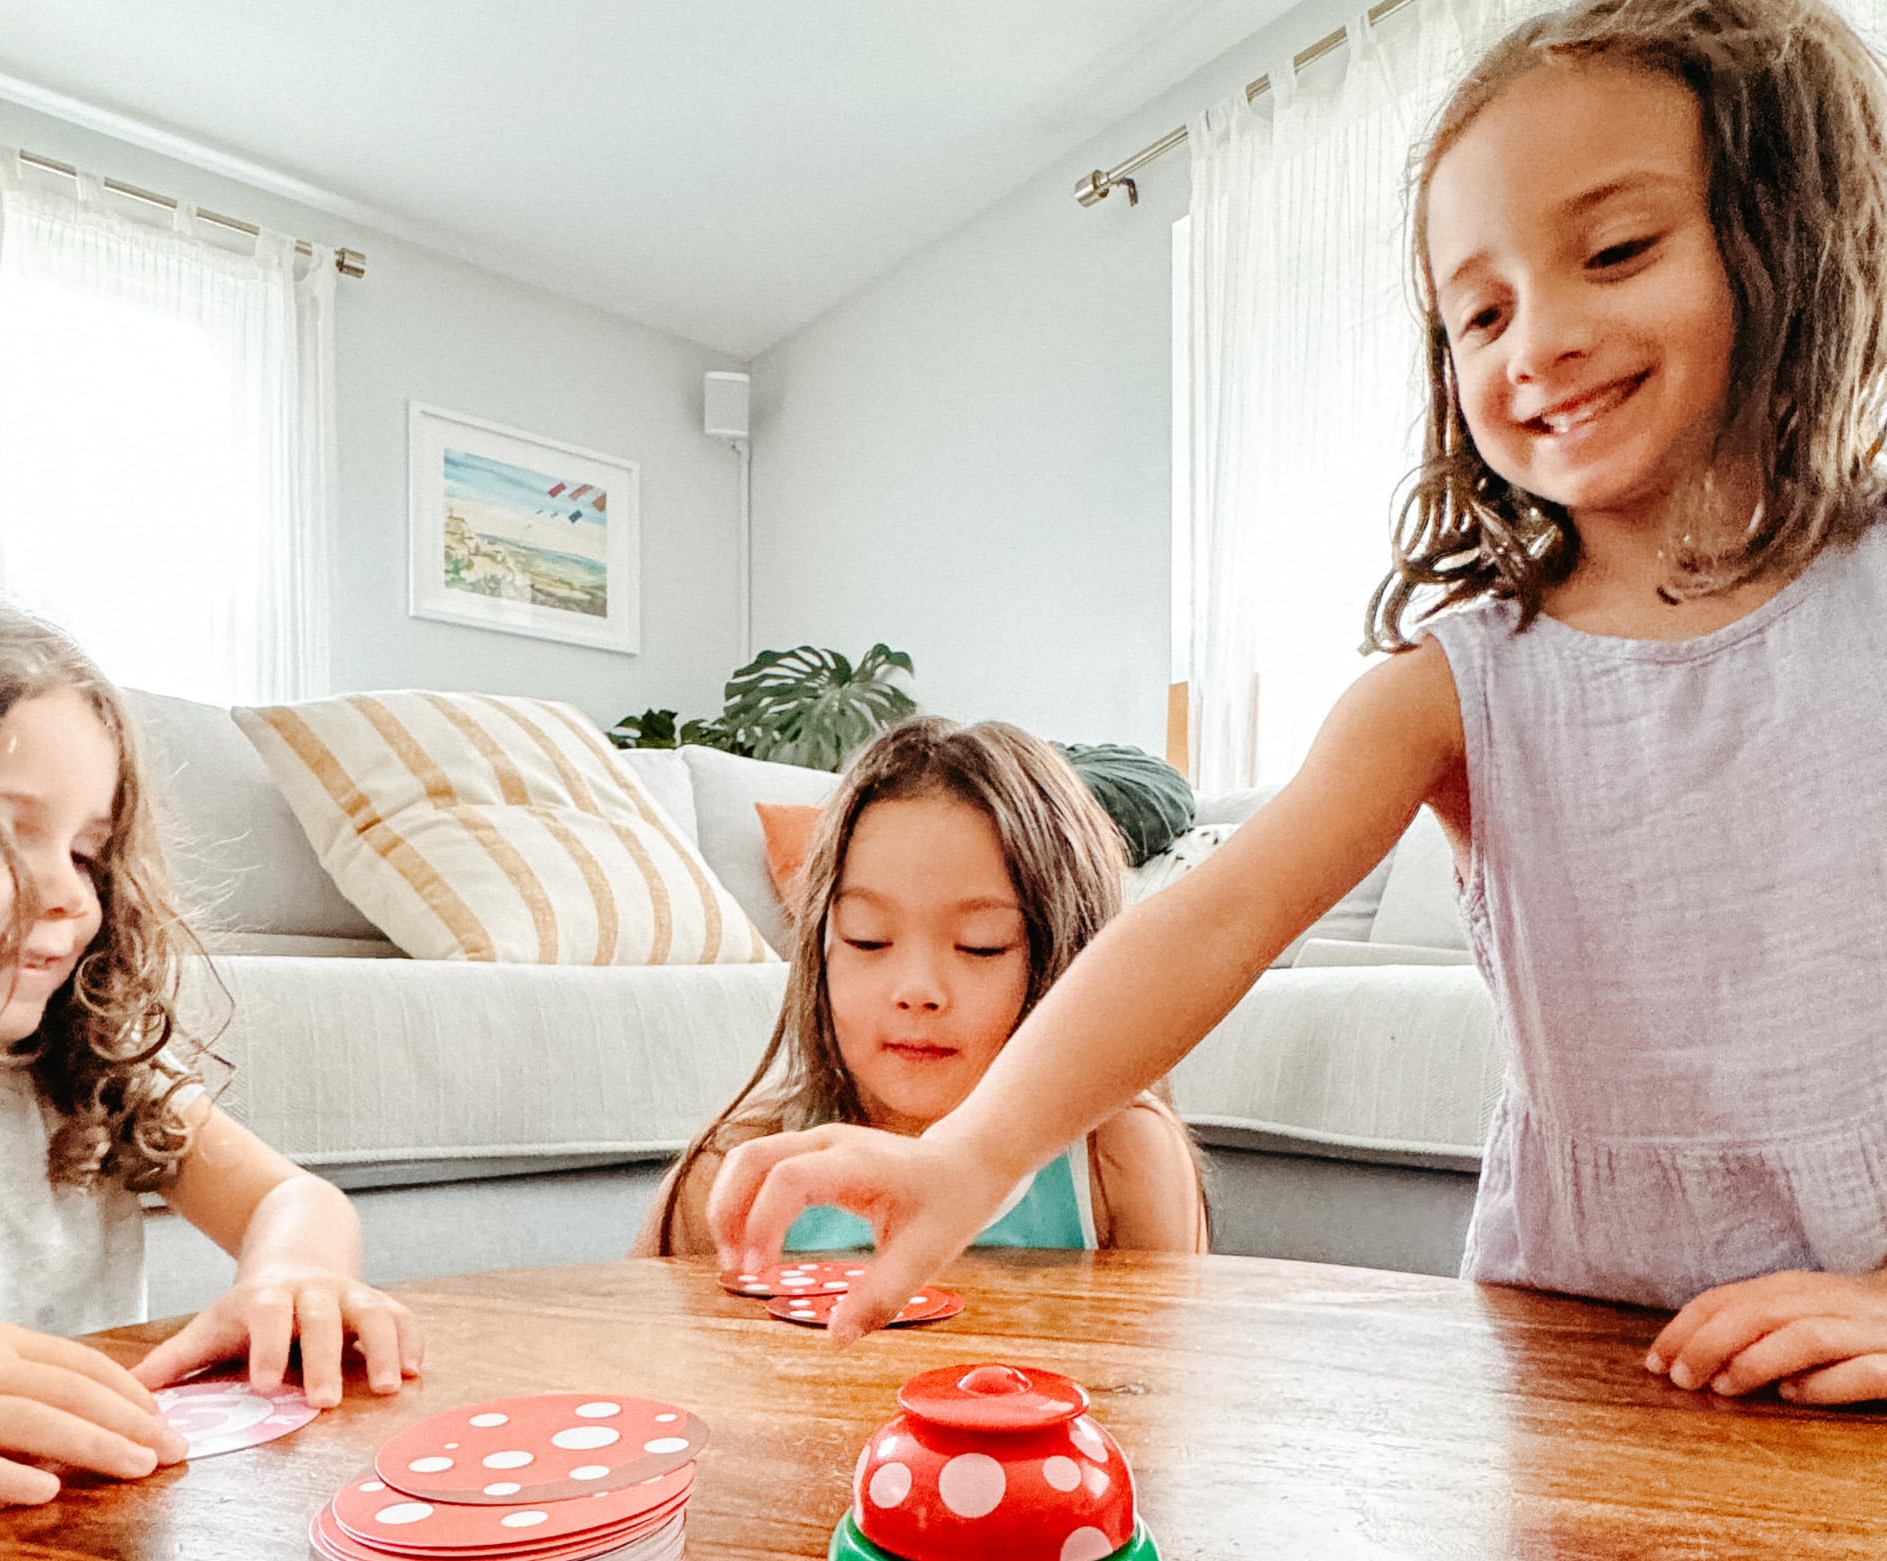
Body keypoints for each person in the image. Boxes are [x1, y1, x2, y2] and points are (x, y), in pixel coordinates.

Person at [712, 0, 1887, 1404]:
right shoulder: (1456, 683)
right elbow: (1212, 918)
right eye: (1482, 309)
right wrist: (970, 1153)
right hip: (1570, 1328)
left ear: (1798, 233)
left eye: (1618, 251)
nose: (1540, 340)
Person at [0, 582, 420, 1506]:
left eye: (89, 852)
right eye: (0, 834)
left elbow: (289, 1198)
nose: (71, 897)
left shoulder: (78, 1069)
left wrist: (293, 1272)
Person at [634, 716, 1206, 1260]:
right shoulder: (739, 1167)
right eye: (868, 939)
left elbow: (1166, 1360)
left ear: (1065, 960)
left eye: (982, 944)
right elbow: (636, 1350)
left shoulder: (1120, 1159)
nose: (916, 991)